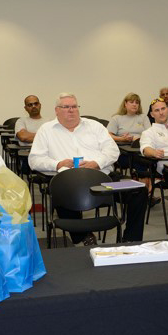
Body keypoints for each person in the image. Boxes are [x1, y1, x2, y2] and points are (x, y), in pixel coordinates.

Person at [29, 93, 148, 244]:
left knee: (139, 190)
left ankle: (131, 240)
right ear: (56, 110)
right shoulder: (46, 130)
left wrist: (97, 163)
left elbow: (113, 151)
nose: (71, 110)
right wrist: (58, 164)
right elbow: (34, 160)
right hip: (69, 183)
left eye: (74, 107)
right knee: (60, 188)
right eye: (66, 107)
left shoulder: (95, 126)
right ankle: (83, 236)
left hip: (103, 180)